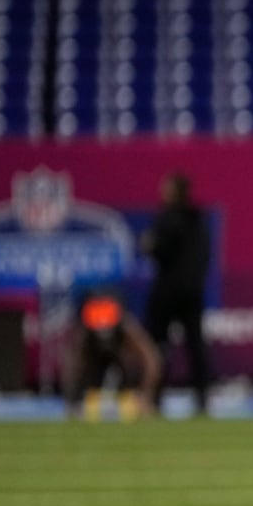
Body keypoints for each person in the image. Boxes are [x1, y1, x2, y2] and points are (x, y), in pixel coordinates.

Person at [141, 173, 211, 416]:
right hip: (192, 291)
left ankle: (156, 397)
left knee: (159, 345)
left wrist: (149, 245)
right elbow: (204, 255)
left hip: (168, 292)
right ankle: (202, 398)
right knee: (195, 346)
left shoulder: (167, 219)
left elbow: (158, 250)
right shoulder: (198, 220)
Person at [61, 287, 161, 420]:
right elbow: (72, 366)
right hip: (95, 364)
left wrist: (146, 395)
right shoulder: (84, 336)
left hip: (124, 366)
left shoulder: (128, 328)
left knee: (129, 378)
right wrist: (71, 401)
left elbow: (151, 360)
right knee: (87, 375)